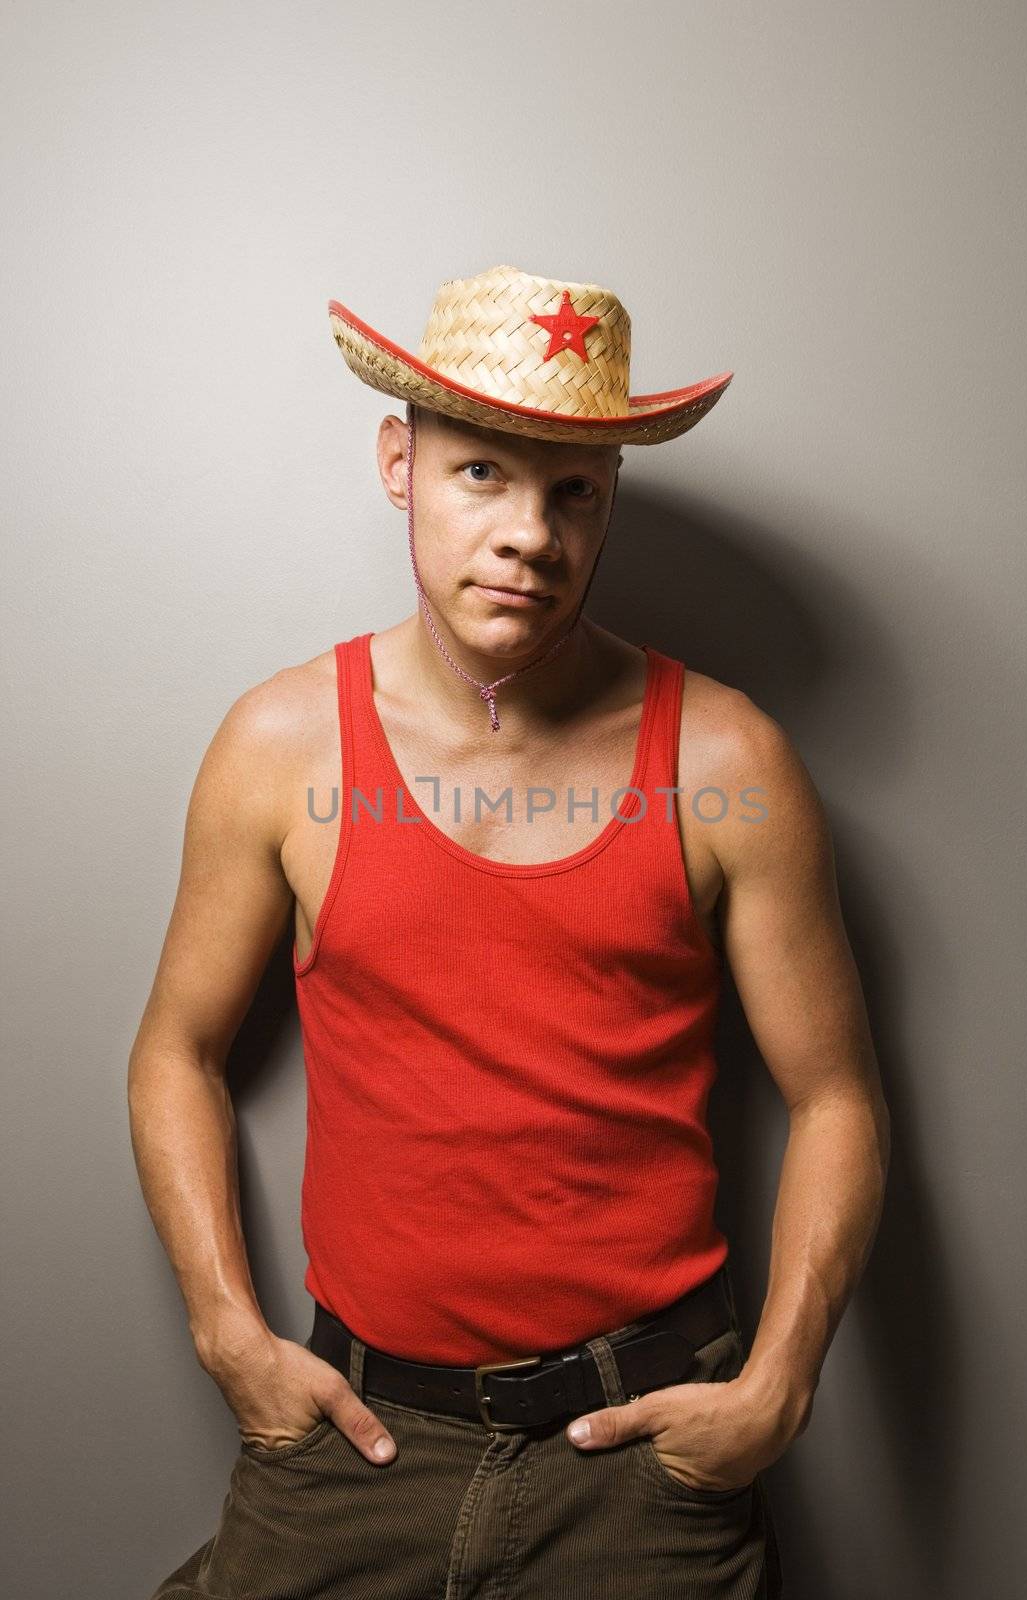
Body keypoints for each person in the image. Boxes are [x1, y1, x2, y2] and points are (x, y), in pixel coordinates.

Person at [131, 263, 891, 1600]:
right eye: (484, 474)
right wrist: (226, 1333)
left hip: (643, 1456)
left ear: (607, 509)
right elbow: (174, 1052)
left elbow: (835, 1098)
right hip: (354, 1446)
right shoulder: (279, 745)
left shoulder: (727, 757)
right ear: (399, 464)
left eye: (573, 491)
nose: (530, 534)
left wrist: (779, 1385)